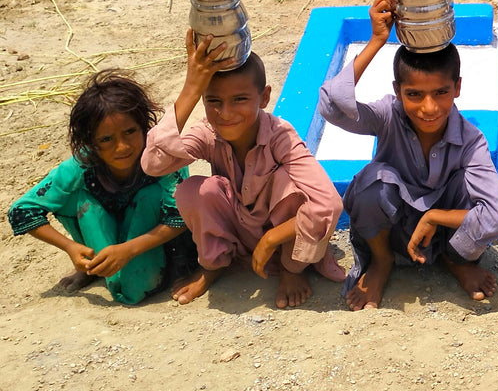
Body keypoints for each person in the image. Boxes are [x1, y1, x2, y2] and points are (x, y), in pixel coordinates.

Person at [318, 0, 498, 311]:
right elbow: (331, 105)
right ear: (398, 91)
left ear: (457, 88)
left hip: (447, 235)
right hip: (394, 230)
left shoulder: (471, 141)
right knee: (371, 183)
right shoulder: (387, 115)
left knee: (468, 185)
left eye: (441, 93)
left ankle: (455, 261)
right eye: (414, 95)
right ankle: (381, 262)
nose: (429, 108)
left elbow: (497, 217)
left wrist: (436, 216)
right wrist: (377, 40)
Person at [142, 32, 346, 308]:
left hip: (284, 238)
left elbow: (328, 203)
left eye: (239, 100)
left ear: (264, 98)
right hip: (240, 234)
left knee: (294, 188)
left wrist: (272, 238)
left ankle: (291, 269)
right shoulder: (208, 132)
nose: (225, 113)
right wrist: (191, 86)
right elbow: (154, 165)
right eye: (213, 101)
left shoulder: (280, 136)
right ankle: (215, 266)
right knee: (194, 190)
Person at [8, 70, 196, 305]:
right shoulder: (81, 165)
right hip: (106, 230)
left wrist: (128, 250)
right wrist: (71, 248)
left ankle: (174, 267)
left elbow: (180, 218)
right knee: (72, 195)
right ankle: (91, 267)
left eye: (130, 132)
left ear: (144, 127)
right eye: (106, 139)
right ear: (90, 142)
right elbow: (22, 211)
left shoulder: (161, 156)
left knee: (135, 290)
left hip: (152, 236)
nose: (122, 147)